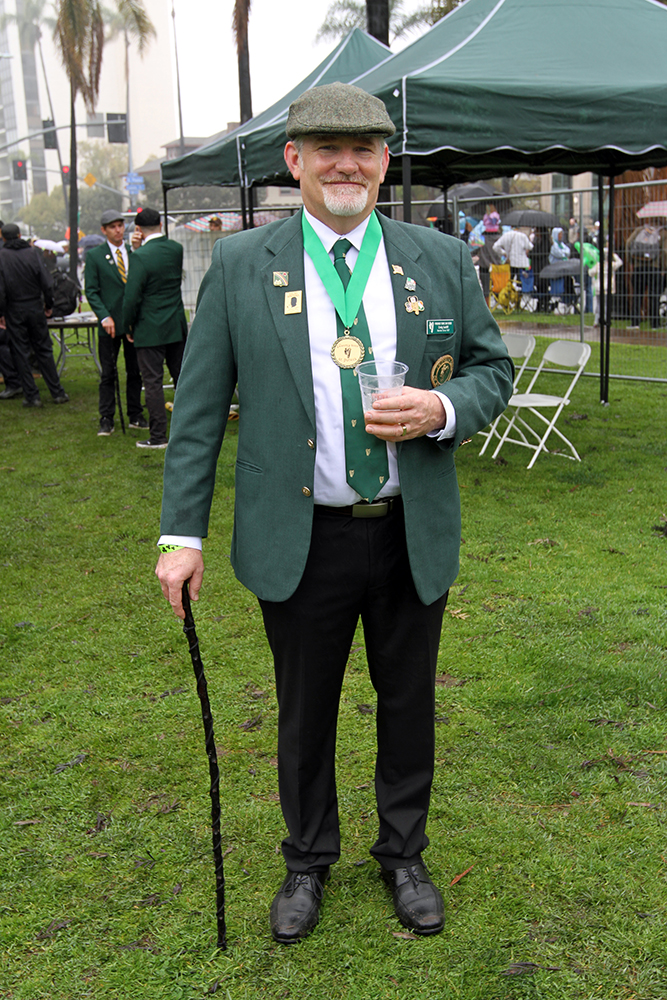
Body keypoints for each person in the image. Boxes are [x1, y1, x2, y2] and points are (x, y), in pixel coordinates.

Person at [155, 83, 513, 944]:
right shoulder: (243, 263)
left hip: (407, 529)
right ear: (295, 161)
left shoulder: (440, 257)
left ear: (384, 162)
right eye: (326, 150)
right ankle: (306, 859)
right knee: (304, 709)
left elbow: (490, 371)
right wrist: (181, 534)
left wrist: (441, 408)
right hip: (300, 535)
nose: (345, 165)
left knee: (408, 704)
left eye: (362, 150)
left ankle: (403, 854)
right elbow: (197, 411)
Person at [122, 208, 187, 449]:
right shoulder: (176, 249)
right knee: (182, 378)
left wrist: (127, 325)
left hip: (149, 327)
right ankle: (189, 429)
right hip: (175, 324)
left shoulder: (139, 256)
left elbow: (132, 296)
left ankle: (159, 435)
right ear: (161, 223)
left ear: (138, 229)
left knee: (153, 383)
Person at [84, 209, 147, 436]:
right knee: (108, 373)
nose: (118, 230)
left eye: (120, 225)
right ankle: (106, 417)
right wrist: (103, 316)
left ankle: (135, 413)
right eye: (112, 227)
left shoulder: (134, 252)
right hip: (109, 324)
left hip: (132, 323)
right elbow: (91, 290)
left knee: (135, 371)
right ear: (104, 230)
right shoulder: (95, 256)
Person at [0, 223, 69, 407]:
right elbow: (46, 282)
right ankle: (57, 392)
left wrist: (1, 313)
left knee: (20, 352)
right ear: (20, 235)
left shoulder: (2, 256)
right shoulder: (32, 253)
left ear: (3, 237)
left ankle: (32, 396)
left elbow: (1, 290)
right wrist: (48, 304)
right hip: (35, 306)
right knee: (44, 349)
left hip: (14, 309)